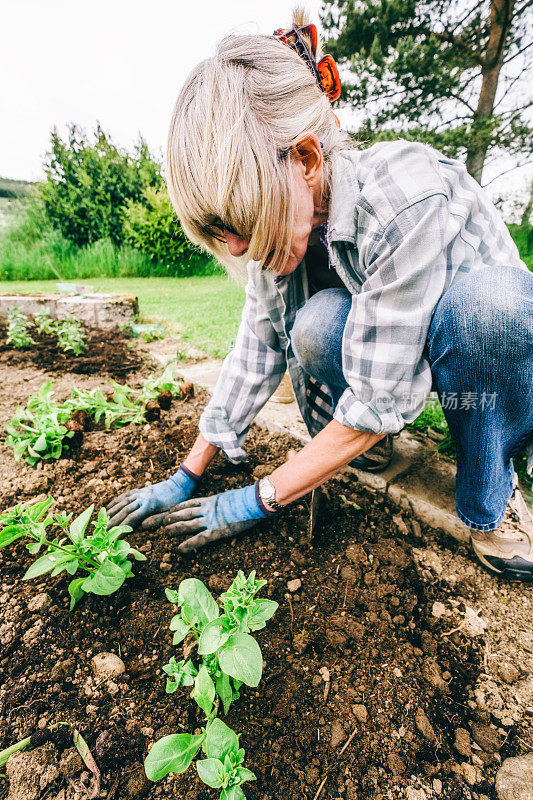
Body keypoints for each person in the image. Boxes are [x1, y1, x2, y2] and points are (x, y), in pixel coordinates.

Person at [107, 13, 533, 581]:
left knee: (488, 308)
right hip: (394, 362)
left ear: (306, 160)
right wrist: (187, 473)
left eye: (240, 222)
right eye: (220, 231)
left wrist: (257, 498)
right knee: (312, 323)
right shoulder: (278, 235)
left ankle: (491, 491)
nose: (235, 248)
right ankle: (372, 445)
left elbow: (384, 393)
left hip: (481, 370)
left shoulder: (403, 197)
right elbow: (254, 352)